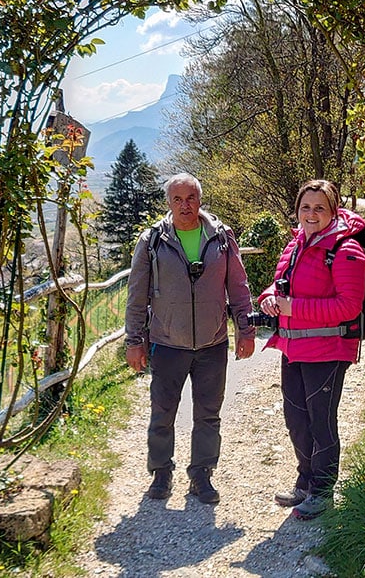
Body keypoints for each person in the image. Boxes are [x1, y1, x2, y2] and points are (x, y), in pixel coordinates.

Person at [124, 173, 256, 504]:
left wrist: (245, 329)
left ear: (200, 199)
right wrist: (134, 341)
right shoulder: (152, 241)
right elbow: (137, 295)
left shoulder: (221, 238)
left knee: (208, 413)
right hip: (167, 342)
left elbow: (238, 287)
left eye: (191, 198)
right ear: (168, 203)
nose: (185, 206)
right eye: (178, 199)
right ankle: (161, 472)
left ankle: (201, 474)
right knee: (163, 412)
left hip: (212, 343)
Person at [257, 179, 365, 520]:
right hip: (293, 347)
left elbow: (349, 306)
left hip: (328, 348)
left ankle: (321, 490)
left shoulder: (347, 250)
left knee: (321, 421)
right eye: (306, 207)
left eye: (319, 207)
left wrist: (293, 308)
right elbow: (279, 286)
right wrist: (268, 300)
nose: (311, 213)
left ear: (333, 211)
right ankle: (305, 480)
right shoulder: (295, 246)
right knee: (296, 419)